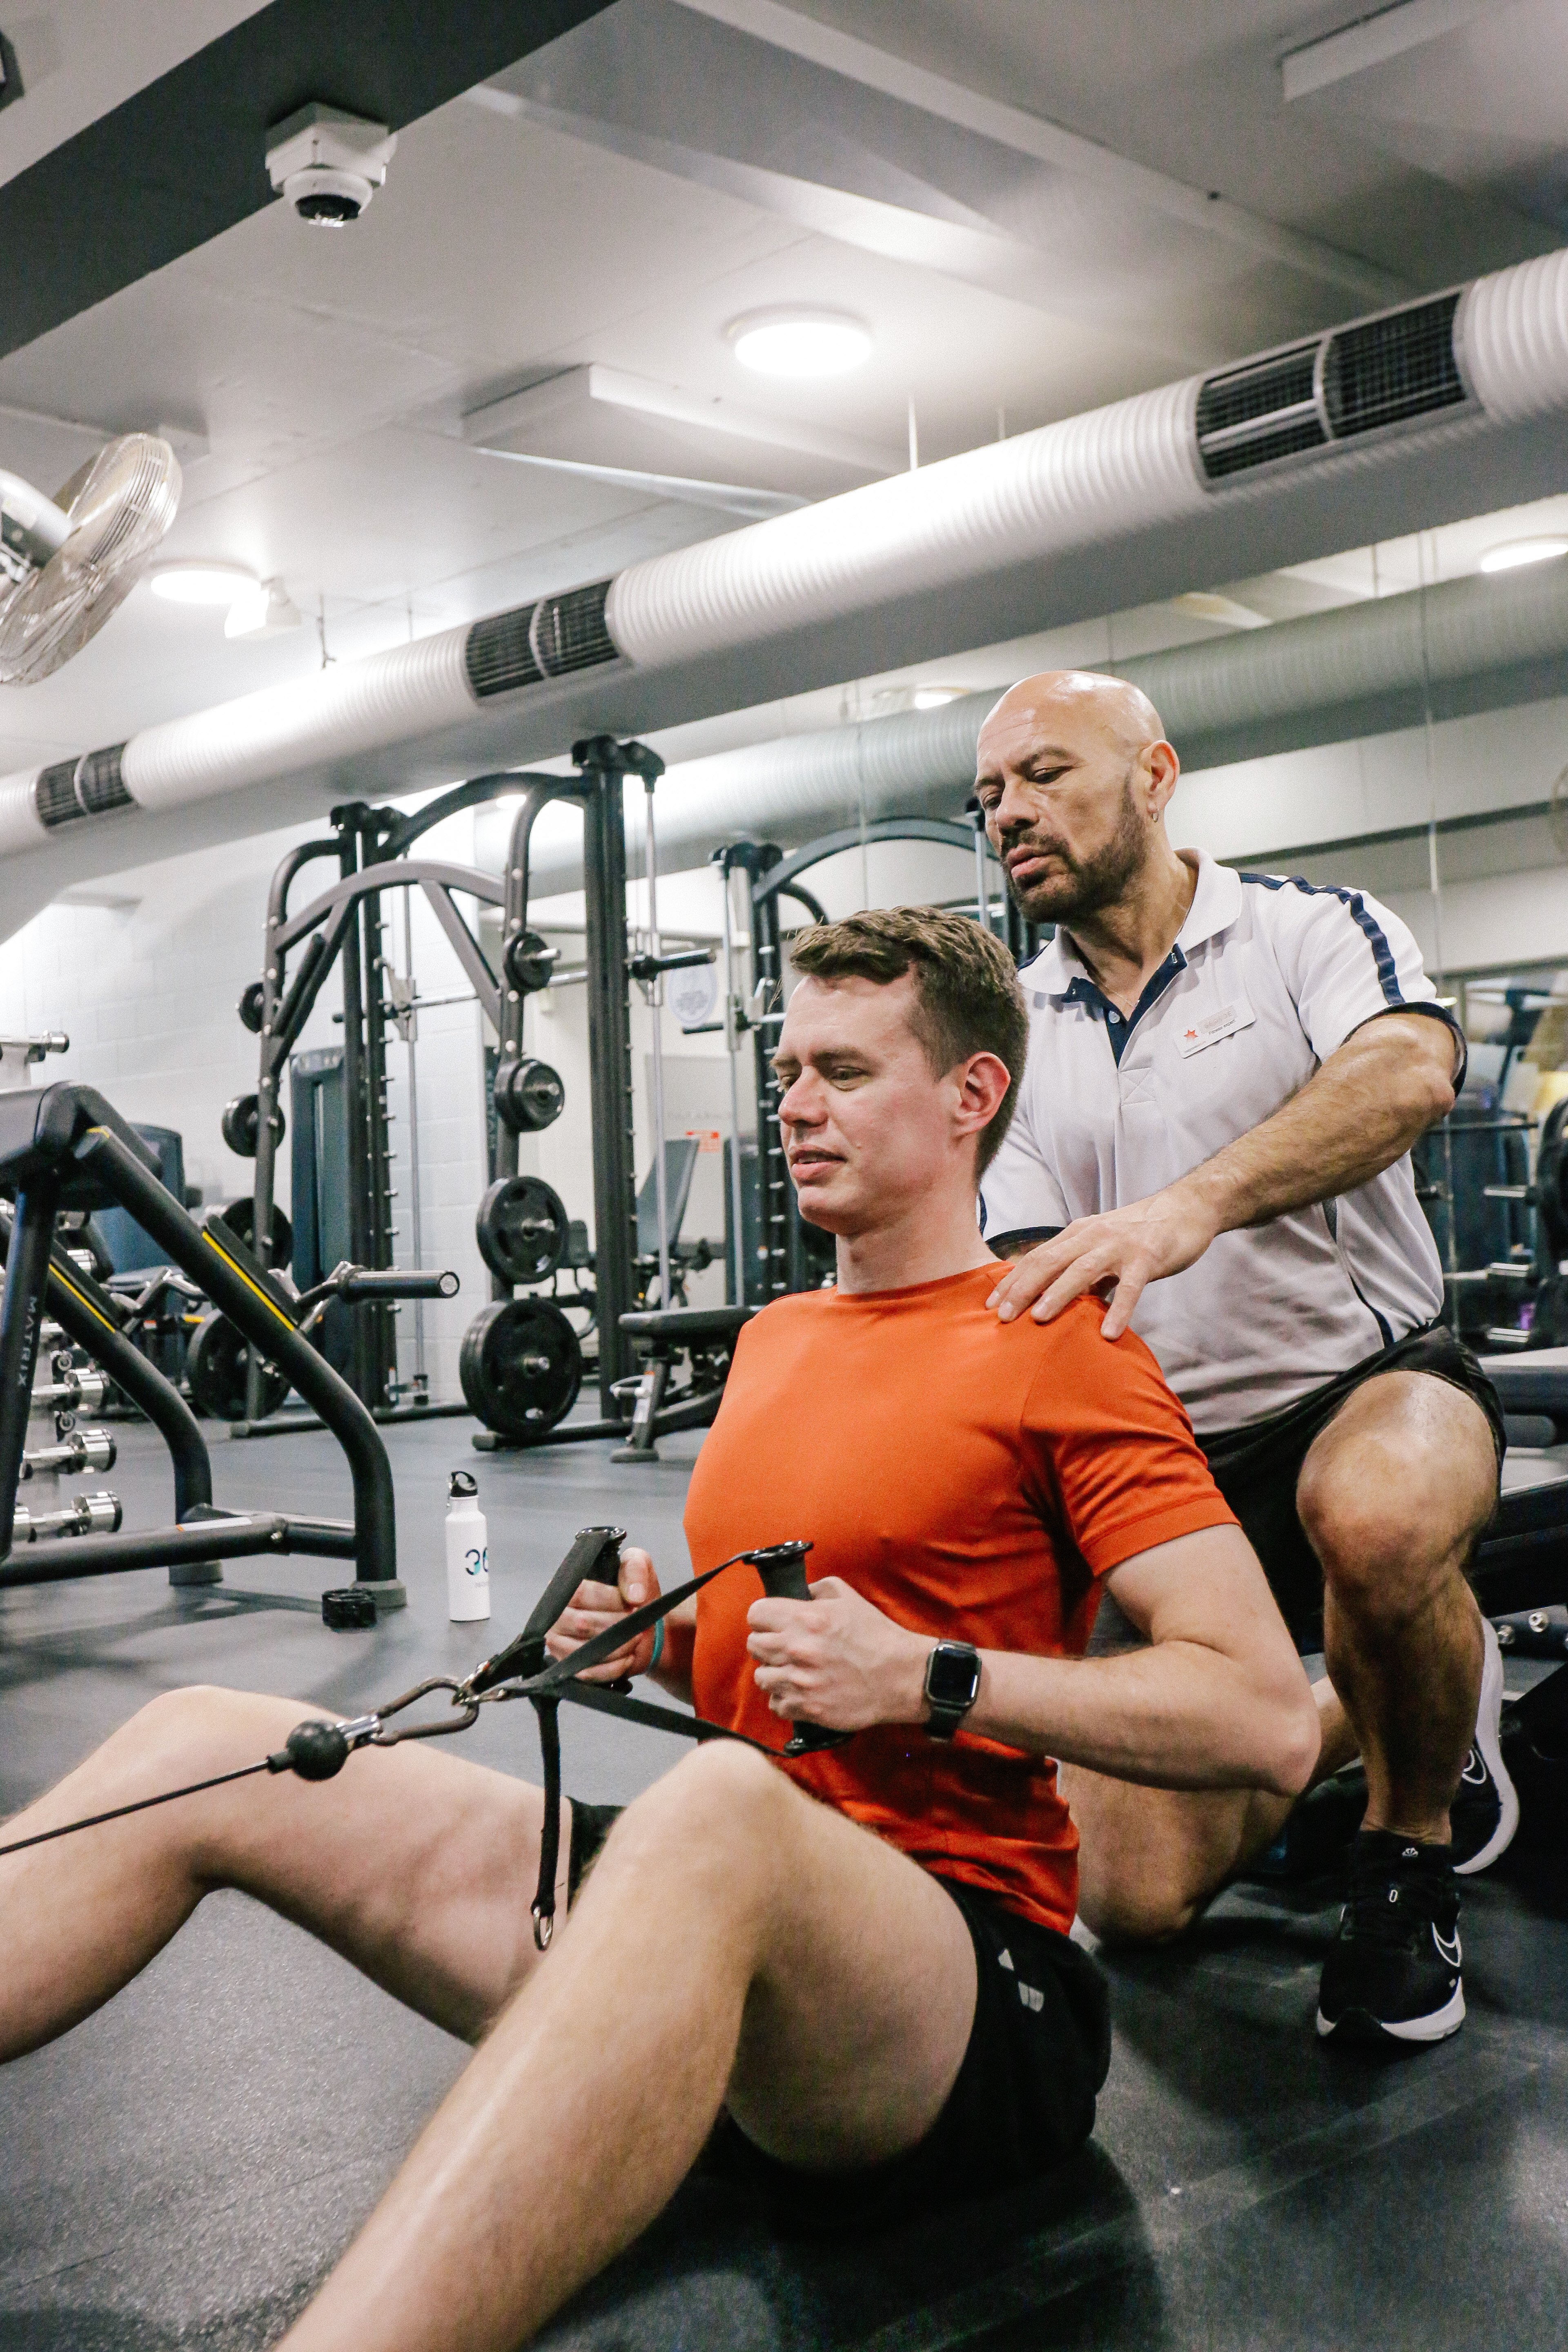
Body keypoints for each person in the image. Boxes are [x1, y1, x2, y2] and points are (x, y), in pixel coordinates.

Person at [0, 907, 1316, 2352]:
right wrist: (660, 1643)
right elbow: (768, 1686)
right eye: (788, 1068)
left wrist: (932, 1680)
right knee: (211, 1737)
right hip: (718, 1926)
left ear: (971, 1096)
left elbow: (1252, 1713)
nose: (795, 1105)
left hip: (960, 1996)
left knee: (717, 1811)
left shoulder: (1061, 1339)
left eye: (844, 1071)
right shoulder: (776, 1340)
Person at [975, 668, 1509, 2050]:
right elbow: (1035, 1276)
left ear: (1154, 779)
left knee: (1378, 1517)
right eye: (989, 796)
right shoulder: (1017, 1036)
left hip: (1372, 1384)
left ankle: (1409, 1849)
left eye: (1043, 775)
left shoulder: (1304, 930)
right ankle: (1382, 1690)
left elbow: (1407, 1075)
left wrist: (1189, 1205)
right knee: (1135, 1903)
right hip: (1174, 1462)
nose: (1008, 814)